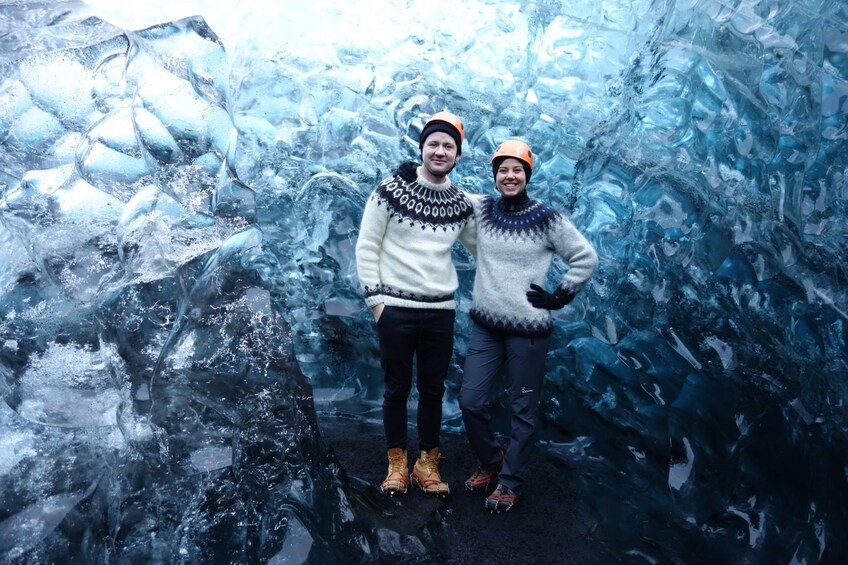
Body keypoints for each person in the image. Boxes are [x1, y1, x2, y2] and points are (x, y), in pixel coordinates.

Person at [457, 140, 598, 513]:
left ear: (527, 175)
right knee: (470, 400)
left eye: (517, 169)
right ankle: (491, 462)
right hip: (486, 326)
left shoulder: (546, 218)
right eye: (503, 169)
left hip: (528, 332)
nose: (510, 175)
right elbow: (446, 194)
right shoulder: (483, 208)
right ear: (495, 175)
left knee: (523, 410)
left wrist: (560, 296)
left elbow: (585, 256)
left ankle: (509, 482)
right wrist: (415, 175)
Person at [355, 111, 476, 498]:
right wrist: (377, 304)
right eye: (434, 144)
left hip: (440, 313)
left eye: (448, 146)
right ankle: (396, 464)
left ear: (457, 154)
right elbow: (367, 246)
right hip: (396, 310)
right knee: (395, 389)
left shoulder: (460, 203)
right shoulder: (390, 191)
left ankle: (427, 463)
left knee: (433, 391)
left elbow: (485, 248)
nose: (440, 151)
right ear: (422, 148)